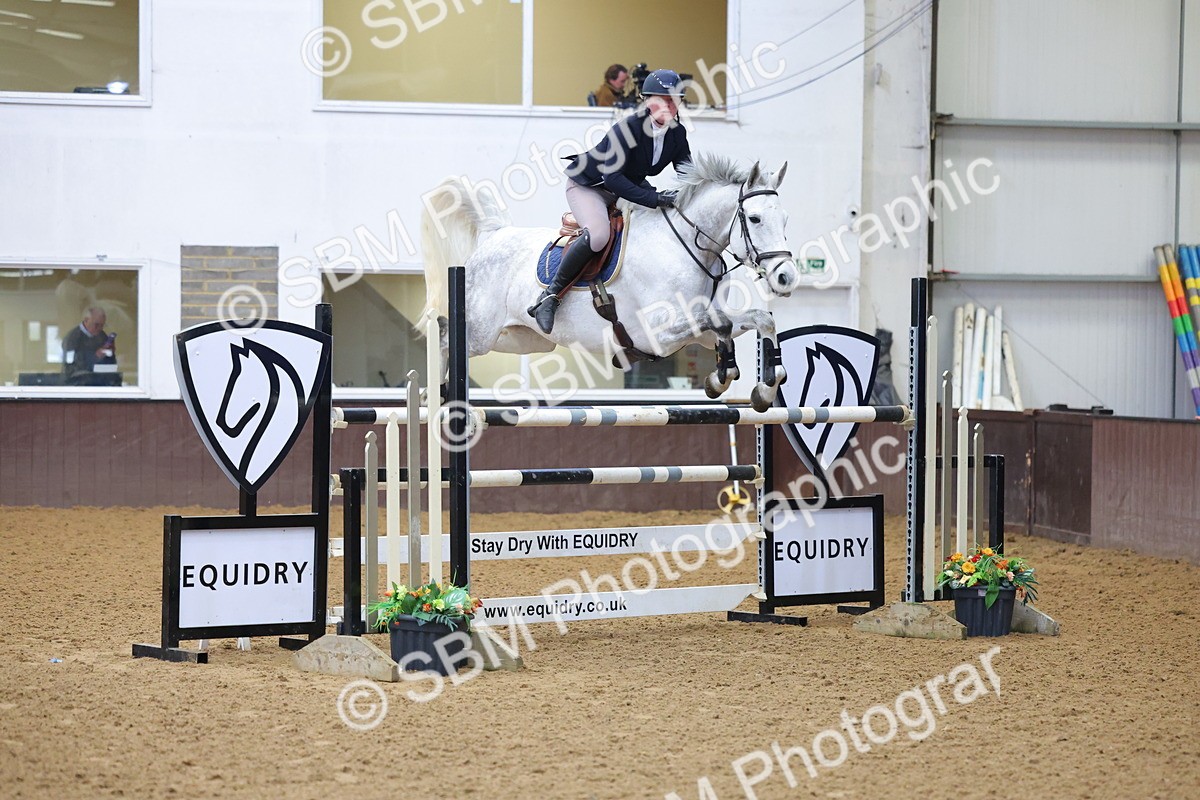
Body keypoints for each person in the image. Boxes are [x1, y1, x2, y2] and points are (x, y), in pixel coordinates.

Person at [529, 69, 693, 334]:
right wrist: (655, 197)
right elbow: (613, 179)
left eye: (675, 100)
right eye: (662, 100)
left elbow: (688, 174)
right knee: (599, 235)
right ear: (647, 101)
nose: (669, 106)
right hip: (590, 186)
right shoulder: (628, 129)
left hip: (626, 186)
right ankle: (550, 297)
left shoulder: (677, 134)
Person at [62, 306, 116, 386]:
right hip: (77, 384)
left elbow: (109, 363)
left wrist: (110, 353)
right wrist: (96, 356)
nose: (99, 328)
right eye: (96, 325)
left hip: (100, 383)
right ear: (86, 320)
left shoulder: (102, 335)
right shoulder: (72, 337)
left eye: (102, 325)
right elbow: (70, 365)